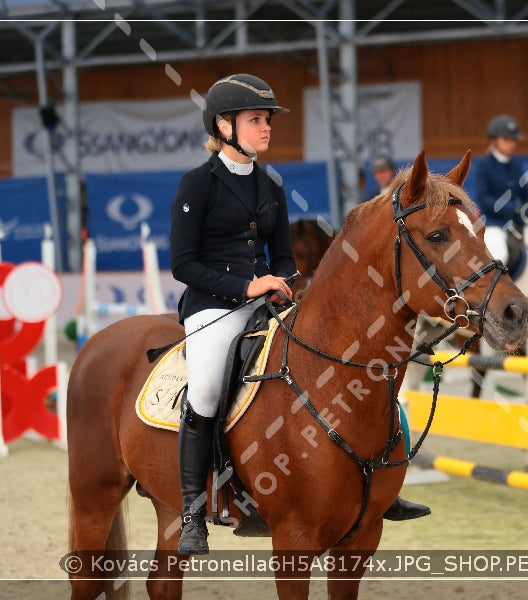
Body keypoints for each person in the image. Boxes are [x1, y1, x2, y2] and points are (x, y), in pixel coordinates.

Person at [171, 74, 427, 556]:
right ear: (224, 125)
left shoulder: (270, 183)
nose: (266, 127)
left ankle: (379, 484)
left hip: (269, 301)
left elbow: (284, 255)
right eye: (255, 120)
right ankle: (192, 512)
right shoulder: (196, 184)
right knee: (204, 389)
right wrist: (247, 286)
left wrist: (285, 283)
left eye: (267, 120)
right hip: (213, 307)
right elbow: (183, 264)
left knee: (355, 367)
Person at [471, 114, 528, 266]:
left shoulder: (517, 166)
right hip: (494, 223)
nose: (511, 144)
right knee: (500, 255)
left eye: (513, 140)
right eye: (506, 140)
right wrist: (513, 209)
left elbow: (526, 195)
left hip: (518, 223)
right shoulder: (483, 166)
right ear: (495, 140)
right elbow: (484, 199)